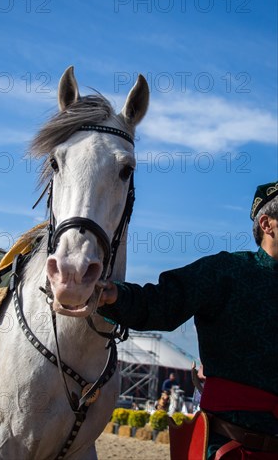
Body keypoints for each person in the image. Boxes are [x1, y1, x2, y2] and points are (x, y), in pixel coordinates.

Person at [98, 181, 278, 459]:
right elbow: (162, 303)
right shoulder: (227, 272)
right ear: (267, 224)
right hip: (228, 449)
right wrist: (114, 296)